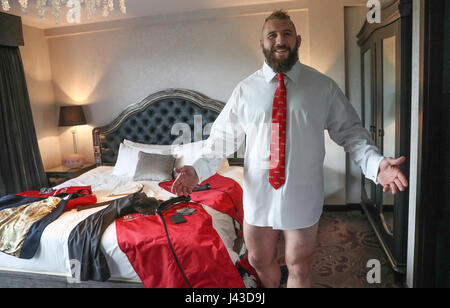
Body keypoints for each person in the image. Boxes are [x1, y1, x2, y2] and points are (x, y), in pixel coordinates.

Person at [171, 10, 408, 288]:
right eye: (272, 35)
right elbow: (221, 140)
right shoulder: (245, 91)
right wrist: (195, 171)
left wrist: (375, 163)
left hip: (302, 191)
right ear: (262, 44)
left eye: (286, 34)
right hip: (259, 194)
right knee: (258, 260)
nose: (280, 40)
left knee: (300, 264)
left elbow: (351, 132)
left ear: (298, 40)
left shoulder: (323, 87)